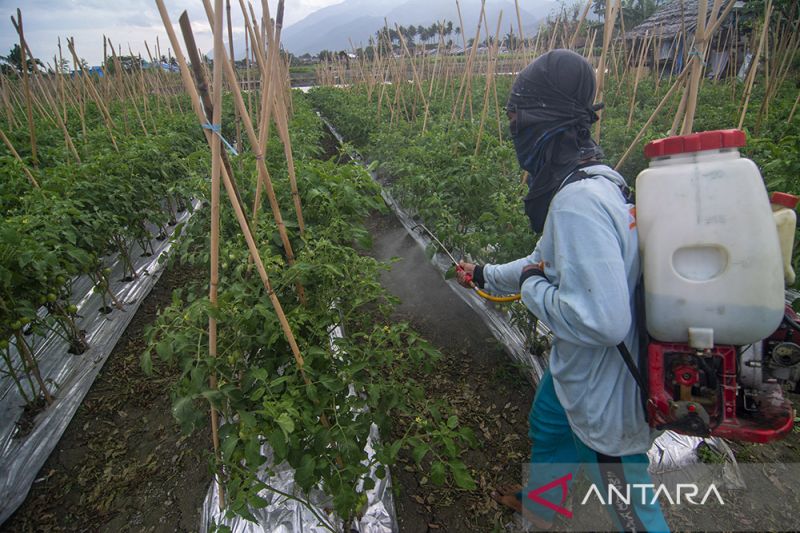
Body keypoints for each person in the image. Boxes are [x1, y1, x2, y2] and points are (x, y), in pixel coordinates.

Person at [456, 49, 669, 532]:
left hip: (607, 388)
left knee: (633, 510)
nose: (514, 132)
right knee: (548, 426)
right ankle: (545, 502)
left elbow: (602, 321)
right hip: (578, 368)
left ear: (542, 123)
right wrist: (486, 273)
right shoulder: (598, 181)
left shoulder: (577, 202)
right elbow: (542, 261)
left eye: (516, 119)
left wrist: (532, 291)